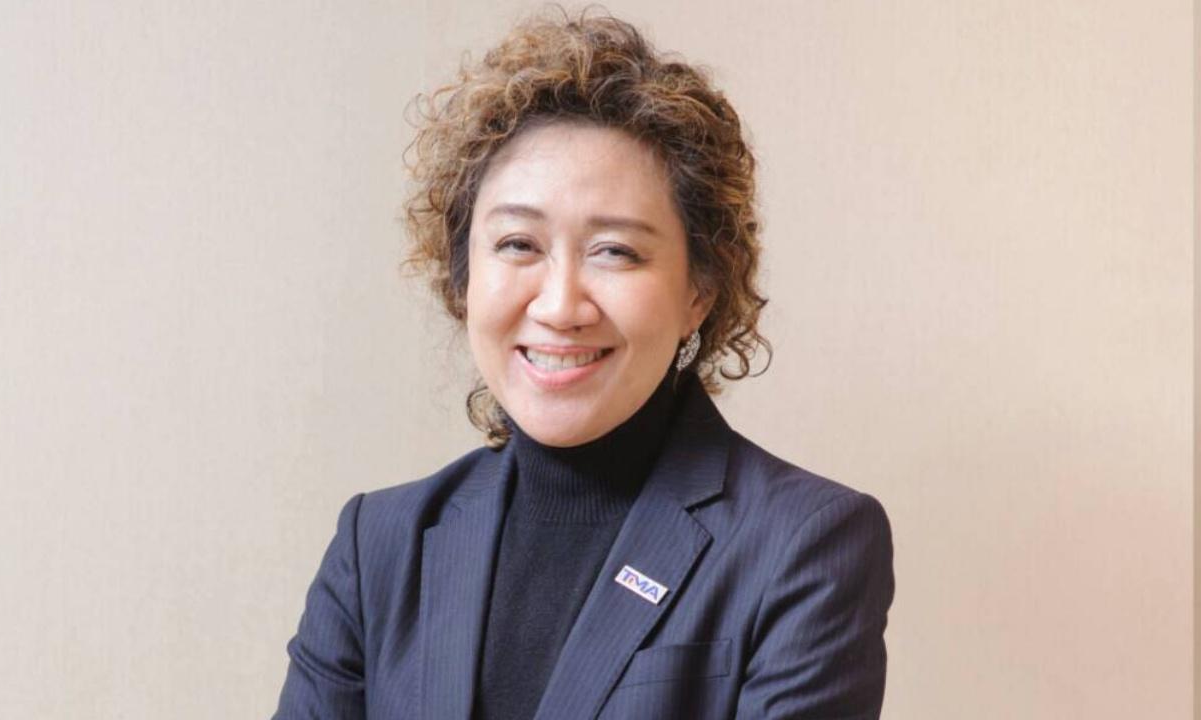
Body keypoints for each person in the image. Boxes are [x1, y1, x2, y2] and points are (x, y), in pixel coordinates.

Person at [274, 8, 894, 720]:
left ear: (699, 291)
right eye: (518, 245)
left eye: (616, 252)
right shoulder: (380, 544)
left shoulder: (802, 545)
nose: (560, 305)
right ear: (463, 277)